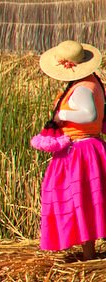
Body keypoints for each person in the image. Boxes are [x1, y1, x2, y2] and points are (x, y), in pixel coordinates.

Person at [32, 40, 106, 260]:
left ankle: (89, 253)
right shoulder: (92, 83)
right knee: (85, 199)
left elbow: (89, 115)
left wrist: (60, 116)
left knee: (80, 198)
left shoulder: (83, 87)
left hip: (80, 151)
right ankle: (88, 251)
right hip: (88, 147)